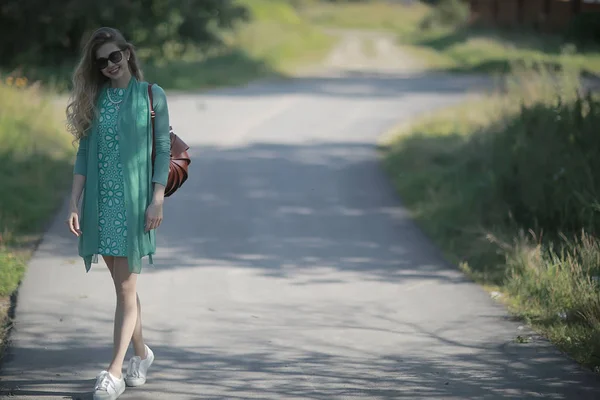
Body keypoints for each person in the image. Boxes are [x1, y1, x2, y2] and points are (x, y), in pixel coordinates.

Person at [65, 27, 171, 400]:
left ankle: (114, 372)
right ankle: (141, 354)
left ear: (127, 53)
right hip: (99, 205)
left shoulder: (150, 95)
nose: (109, 65)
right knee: (124, 288)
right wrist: (75, 200)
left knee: (125, 290)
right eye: (101, 61)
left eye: (114, 56)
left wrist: (157, 197)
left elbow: (163, 149)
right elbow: (82, 155)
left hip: (133, 207)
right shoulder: (97, 100)